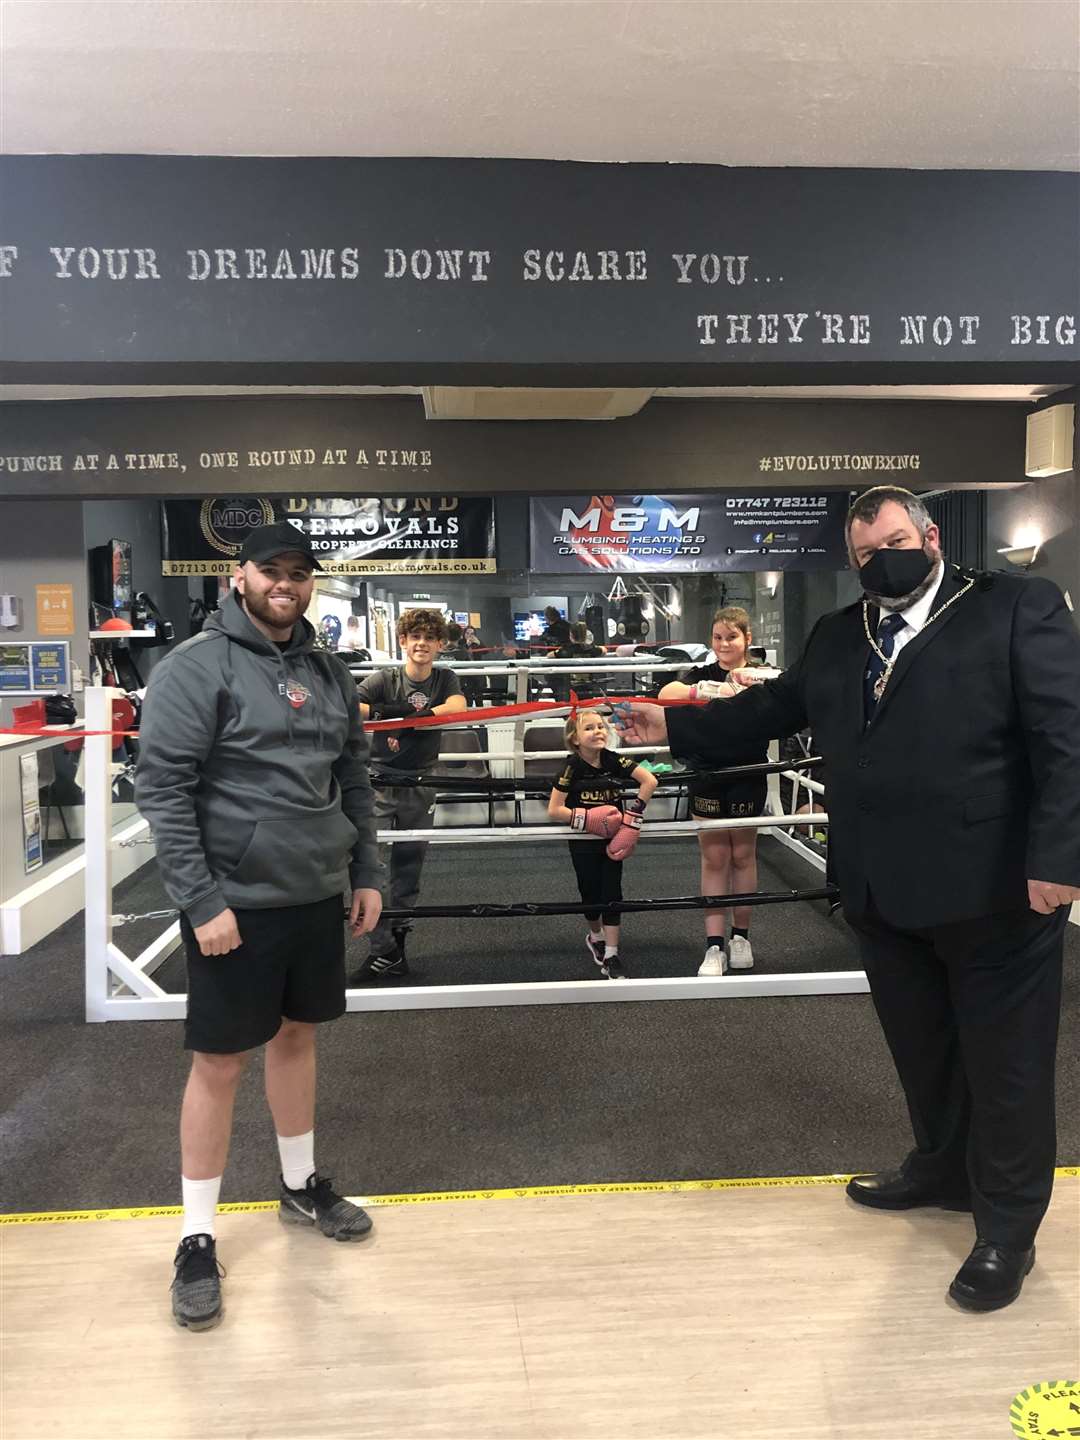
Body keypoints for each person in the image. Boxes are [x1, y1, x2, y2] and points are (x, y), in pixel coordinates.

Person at [614, 486, 1080, 1312]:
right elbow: (767, 708)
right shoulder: (840, 633)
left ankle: (1007, 1226)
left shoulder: (1015, 607)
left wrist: (1059, 858)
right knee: (923, 1048)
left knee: (1005, 1066)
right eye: (866, 553)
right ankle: (940, 1168)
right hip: (879, 888)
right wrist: (672, 726)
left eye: (896, 541)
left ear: (931, 536)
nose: (883, 559)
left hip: (996, 888)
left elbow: (1066, 738)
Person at [134, 520, 383, 1332]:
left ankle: (300, 1184)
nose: (287, 583)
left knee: (298, 1038)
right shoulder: (195, 667)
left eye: (300, 572)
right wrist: (201, 903)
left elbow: (353, 775)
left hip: (315, 894)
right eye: (271, 571)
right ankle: (196, 1235)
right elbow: (162, 791)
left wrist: (367, 870)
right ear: (239, 577)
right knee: (217, 1064)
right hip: (233, 904)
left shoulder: (327, 667)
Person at [355, 608, 467, 978]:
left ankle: (394, 951)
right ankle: (382, 948)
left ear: (439, 644)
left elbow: (456, 708)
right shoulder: (385, 678)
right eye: (414, 637)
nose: (421, 643)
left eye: (429, 638)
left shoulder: (444, 678)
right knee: (369, 865)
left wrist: (415, 717)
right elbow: (352, 707)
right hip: (381, 782)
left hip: (422, 782)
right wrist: (390, 711)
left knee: (408, 869)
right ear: (403, 641)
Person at [657, 607, 768, 976]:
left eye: (732, 637)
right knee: (714, 858)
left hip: (749, 770)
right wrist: (702, 689)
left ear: (747, 639)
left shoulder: (762, 675)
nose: (724, 644)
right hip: (707, 772)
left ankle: (741, 937)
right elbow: (667, 693)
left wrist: (752, 685)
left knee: (743, 856)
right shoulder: (702, 675)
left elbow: (789, 695)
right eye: (718, 637)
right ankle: (714, 946)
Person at [548, 709, 658, 979]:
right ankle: (595, 935)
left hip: (612, 839)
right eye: (589, 728)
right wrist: (587, 819)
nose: (598, 731)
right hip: (583, 839)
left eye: (601, 726)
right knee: (589, 891)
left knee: (612, 892)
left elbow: (649, 781)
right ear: (575, 738)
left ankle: (611, 953)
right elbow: (554, 810)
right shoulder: (571, 767)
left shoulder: (614, 760)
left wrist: (633, 817)